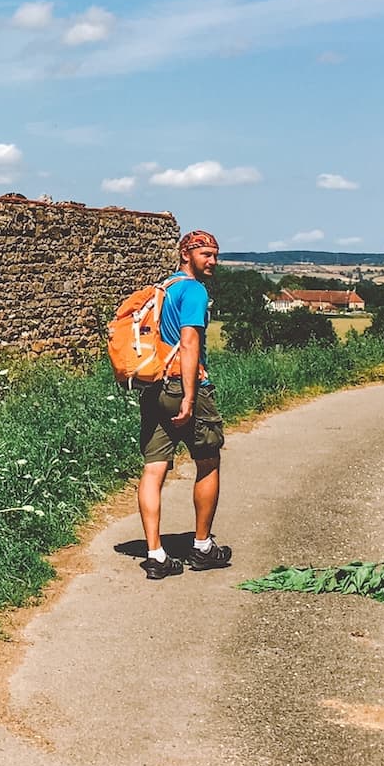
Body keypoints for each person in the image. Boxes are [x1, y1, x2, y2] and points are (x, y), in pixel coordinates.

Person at [135, 229, 231, 579]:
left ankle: (156, 554)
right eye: (206, 254)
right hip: (184, 383)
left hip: (153, 385)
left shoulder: (163, 288)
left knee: (154, 467)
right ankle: (203, 547)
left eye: (216, 255)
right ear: (186, 253)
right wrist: (190, 397)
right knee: (208, 460)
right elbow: (189, 344)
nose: (213, 262)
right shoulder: (192, 290)